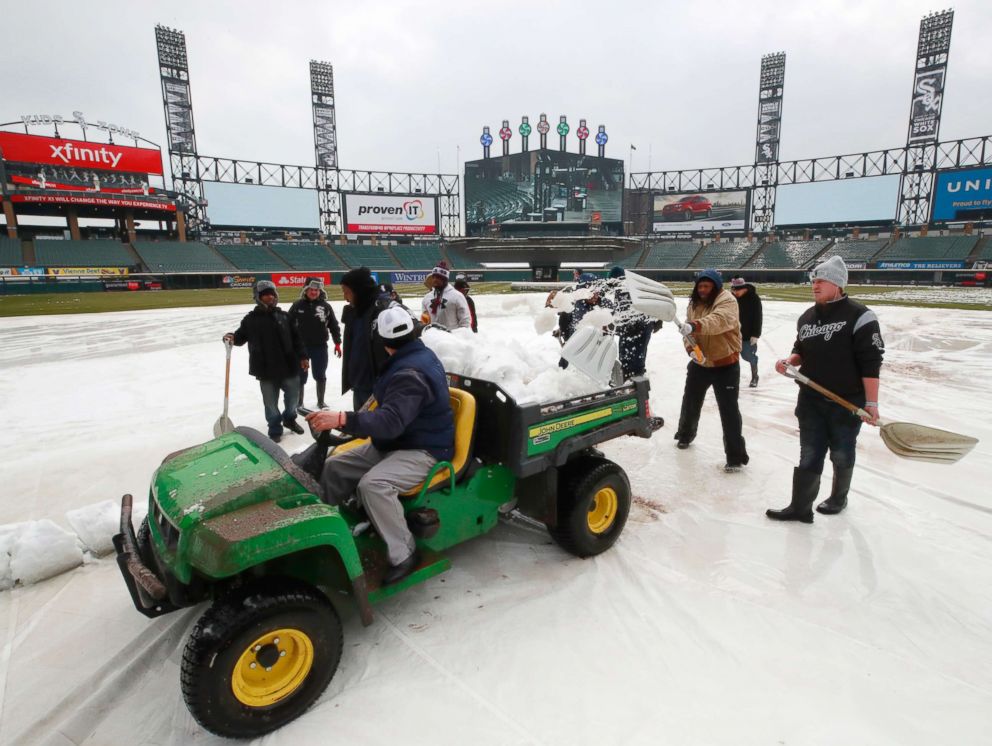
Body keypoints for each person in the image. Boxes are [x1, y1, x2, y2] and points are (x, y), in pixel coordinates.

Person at [307, 307, 455, 585]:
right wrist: (348, 421)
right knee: (335, 466)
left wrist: (341, 418)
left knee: (373, 485)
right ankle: (321, 532)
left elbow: (391, 422)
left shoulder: (409, 373)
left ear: (383, 343)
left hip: (424, 449)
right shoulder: (412, 356)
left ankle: (404, 552)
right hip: (399, 442)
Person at [767, 256, 884, 523]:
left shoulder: (860, 316)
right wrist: (790, 361)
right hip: (810, 398)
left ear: (838, 284)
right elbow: (801, 349)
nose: (815, 285)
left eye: (821, 280)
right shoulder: (807, 316)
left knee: (842, 451)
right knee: (810, 450)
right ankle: (800, 507)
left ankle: (838, 497)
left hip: (846, 400)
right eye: (813, 280)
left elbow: (871, 362)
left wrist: (872, 404)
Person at [673, 269, 749, 472]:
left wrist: (694, 326)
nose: (703, 290)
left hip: (725, 364)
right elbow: (687, 333)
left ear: (716, 287)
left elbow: (720, 321)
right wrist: (690, 349)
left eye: (707, 286)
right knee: (690, 401)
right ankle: (684, 435)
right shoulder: (694, 304)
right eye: (700, 286)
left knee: (729, 410)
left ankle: (735, 456)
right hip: (700, 363)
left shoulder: (727, 300)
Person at [223, 280, 309, 443]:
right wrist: (231, 337)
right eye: (265, 295)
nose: (270, 297)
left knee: (292, 400)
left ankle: (290, 419)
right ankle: (275, 428)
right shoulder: (251, 319)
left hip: (289, 367)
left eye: (272, 294)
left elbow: (297, 340)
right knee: (270, 404)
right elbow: (240, 337)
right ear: (258, 297)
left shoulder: (285, 317)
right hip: (265, 370)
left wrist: (303, 357)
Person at [341, 267, 389, 411]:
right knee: (361, 429)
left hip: (377, 387)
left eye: (347, 292)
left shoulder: (383, 310)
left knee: (375, 429)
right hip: (359, 382)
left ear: (359, 290)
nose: (345, 297)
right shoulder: (355, 310)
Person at [289, 277, 341, 409]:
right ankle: (299, 402)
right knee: (300, 376)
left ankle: (321, 401)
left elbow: (334, 326)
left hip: (320, 347)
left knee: (320, 375)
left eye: (317, 290)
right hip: (301, 349)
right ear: (305, 290)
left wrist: (337, 343)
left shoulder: (325, 306)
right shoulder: (297, 306)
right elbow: (288, 326)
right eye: (311, 290)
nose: (314, 292)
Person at [605, 266, 659, 379]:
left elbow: (649, 304)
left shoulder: (628, 290)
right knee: (627, 357)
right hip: (635, 329)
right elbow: (621, 313)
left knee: (635, 358)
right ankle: (629, 377)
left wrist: (657, 319)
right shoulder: (623, 289)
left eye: (613, 283)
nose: (612, 287)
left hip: (640, 328)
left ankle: (636, 382)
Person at [730, 276, 763, 387]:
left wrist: (756, 334)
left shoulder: (754, 298)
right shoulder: (732, 298)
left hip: (748, 334)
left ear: (744, 288)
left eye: (737, 290)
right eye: (733, 290)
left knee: (748, 356)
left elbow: (758, 316)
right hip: (732, 334)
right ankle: (734, 378)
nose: (735, 292)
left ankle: (755, 376)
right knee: (732, 358)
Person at [421, 261, 472, 329]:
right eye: (434, 277)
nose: (435, 280)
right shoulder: (427, 298)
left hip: (452, 337)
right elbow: (425, 320)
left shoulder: (457, 296)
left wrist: (460, 337)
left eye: (438, 278)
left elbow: (465, 321)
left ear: (444, 280)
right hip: (433, 337)